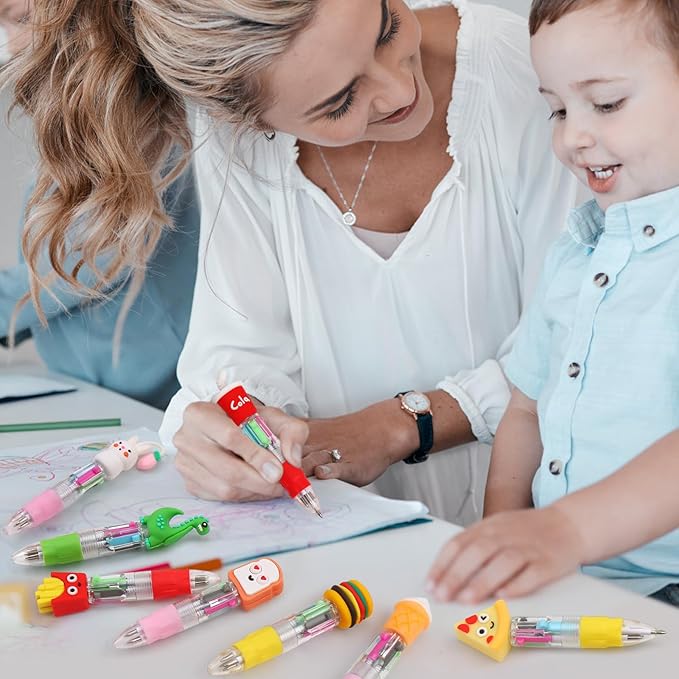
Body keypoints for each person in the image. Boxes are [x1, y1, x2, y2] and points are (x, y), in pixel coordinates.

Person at [5, 0, 576, 523]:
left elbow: (573, 342)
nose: (399, 89)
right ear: (251, 122)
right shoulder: (233, 139)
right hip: (352, 531)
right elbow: (238, 352)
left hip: (550, 522)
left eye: (386, 28)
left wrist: (396, 425)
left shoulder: (533, 71)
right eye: (340, 101)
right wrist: (234, 428)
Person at [427, 0, 679, 604]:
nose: (572, 137)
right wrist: (500, 534)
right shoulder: (576, 252)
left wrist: (566, 529)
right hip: (570, 584)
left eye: (607, 103)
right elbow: (525, 410)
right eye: (558, 110)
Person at [0, 0, 201, 411]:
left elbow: (86, 259)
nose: (10, 43)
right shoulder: (72, 127)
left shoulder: (145, 125)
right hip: (89, 382)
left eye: (20, 18)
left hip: (149, 393)